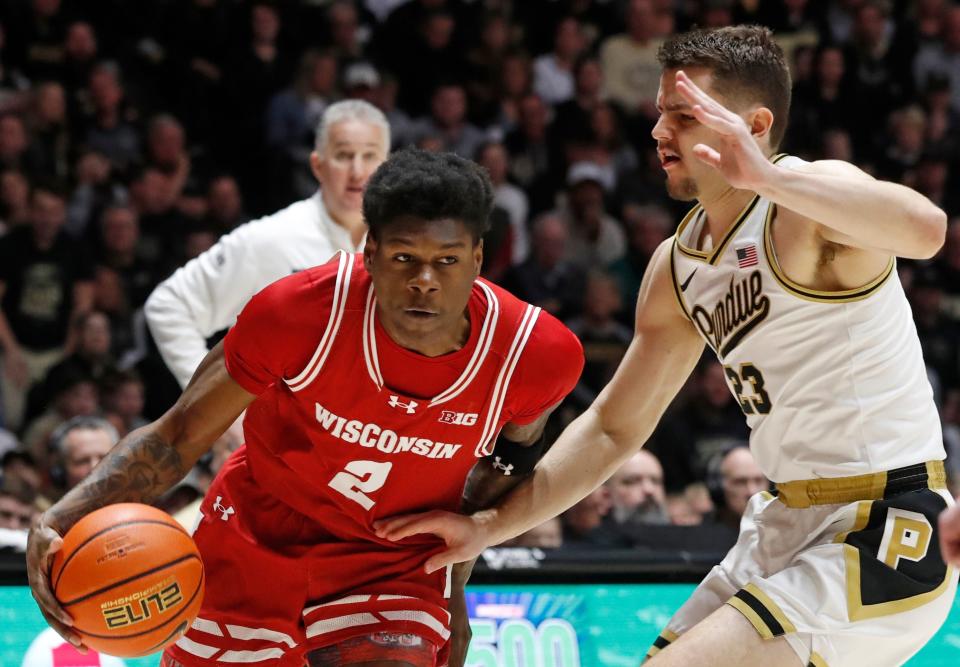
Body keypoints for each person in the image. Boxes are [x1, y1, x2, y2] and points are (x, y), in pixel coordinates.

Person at [375, 26, 957, 667]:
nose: (658, 133)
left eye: (683, 116)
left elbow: (926, 229)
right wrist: (488, 528)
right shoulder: (678, 265)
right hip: (783, 522)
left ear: (754, 124)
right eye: (660, 114)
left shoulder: (811, 202)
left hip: (886, 521)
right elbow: (611, 430)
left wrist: (764, 177)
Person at [28, 149, 584, 667]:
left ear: (478, 257)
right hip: (254, 531)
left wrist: (453, 584)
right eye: (403, 257)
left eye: (447, 260)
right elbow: (178, 435)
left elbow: (504, 471)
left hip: (392, 558)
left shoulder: (535, 355)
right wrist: (60, 518)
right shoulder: (297, 313)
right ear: (369, 251)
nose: (424, 282)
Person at [144, 100, 390, 389]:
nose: (357, 171)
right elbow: (168, 305)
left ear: (387, 165)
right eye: (344, 155)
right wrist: (214, 410)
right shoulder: (271, 238)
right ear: (318, 165)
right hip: (281, 430)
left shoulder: (404, 247)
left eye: (369, 156)